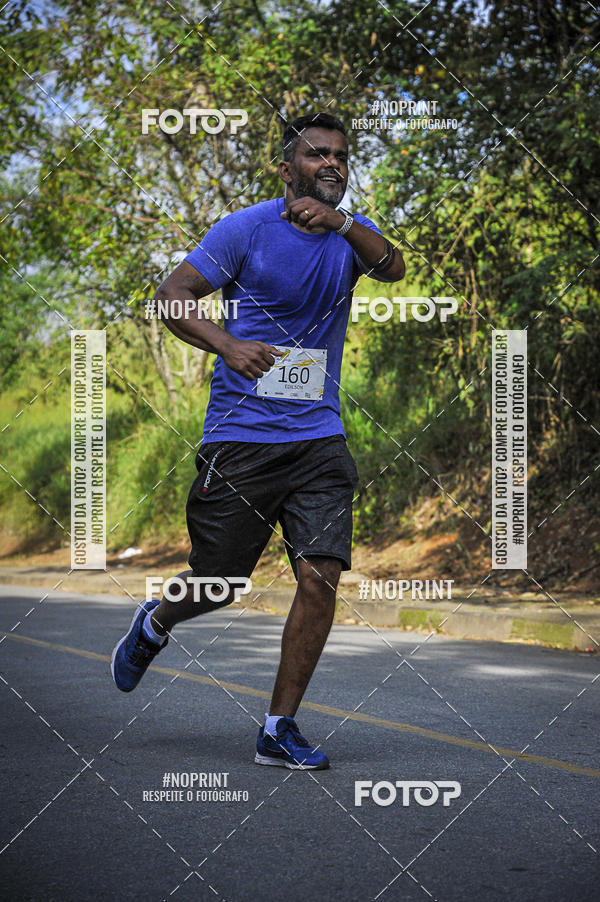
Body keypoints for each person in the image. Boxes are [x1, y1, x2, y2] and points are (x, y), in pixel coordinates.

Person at [111, 112, 405, 769]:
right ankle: (156, 621)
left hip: (319, 437)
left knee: (321, 577)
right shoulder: (245, 229)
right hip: (242, 437)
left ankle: (278, 727)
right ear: (286, 168)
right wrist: (228, 344)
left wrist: (342, 224)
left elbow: (394, 266)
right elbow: (171, 295)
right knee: (219, 582)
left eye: (341, 155)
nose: (332, 164)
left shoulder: (349, 236)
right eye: (317, 154)